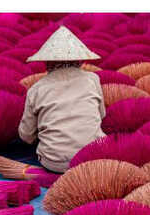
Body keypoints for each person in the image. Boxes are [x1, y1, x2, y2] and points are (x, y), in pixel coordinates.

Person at [17, 26, 106, 174]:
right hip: (95, 157)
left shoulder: (36, 89)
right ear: (79, 60)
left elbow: (26, 135)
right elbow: (101, 115)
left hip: (55, 163)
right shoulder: (93, 79)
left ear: (47, 62)